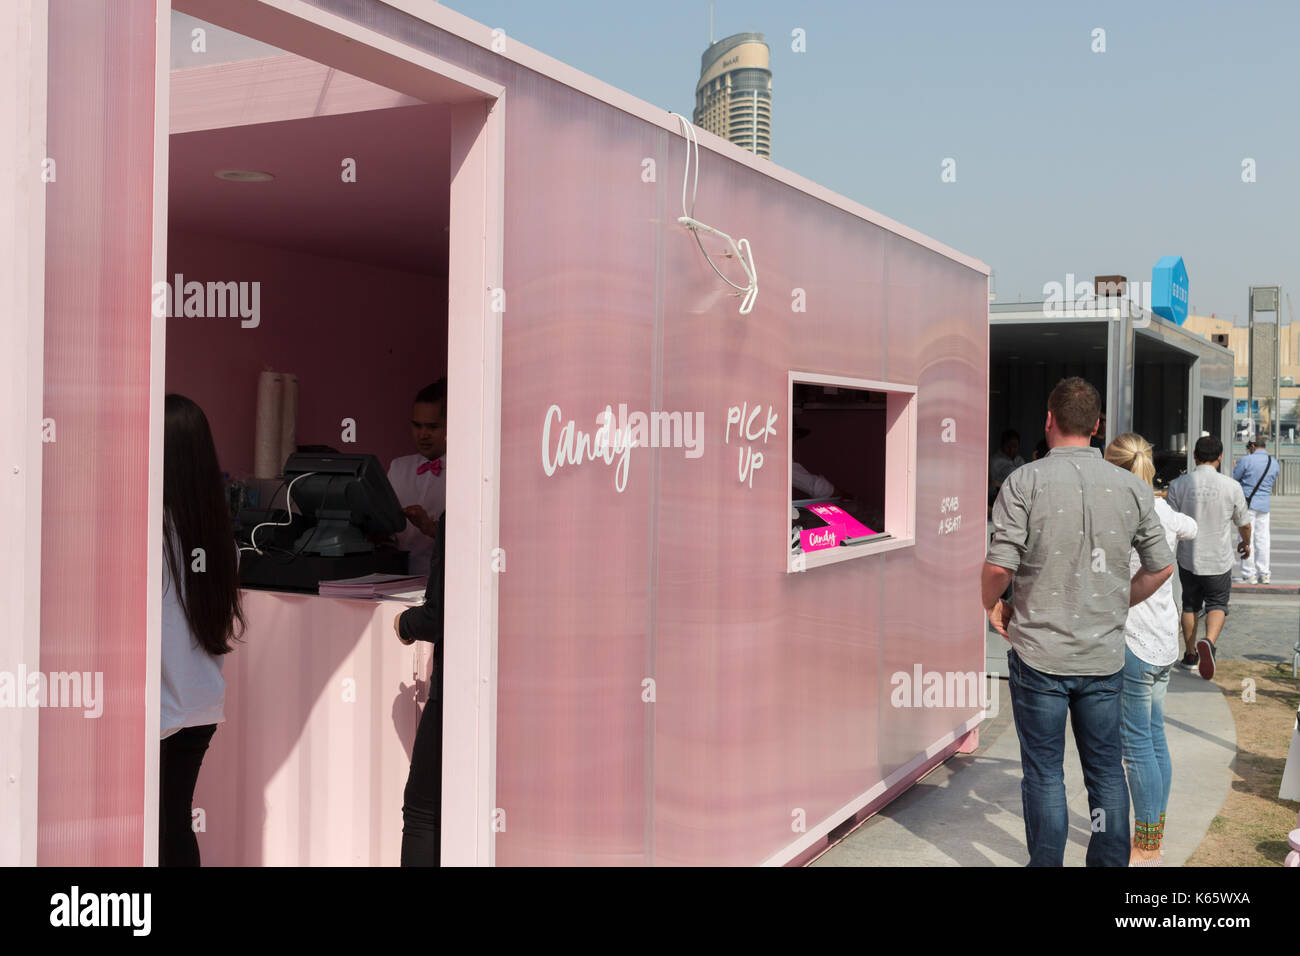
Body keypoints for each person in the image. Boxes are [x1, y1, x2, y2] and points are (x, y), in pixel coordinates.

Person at [984, 377, 1173, 867]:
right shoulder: (1133, 488)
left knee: (1045, 774)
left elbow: (999, 567)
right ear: (1096, 426)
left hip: (1038, 655)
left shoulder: (1023, 482)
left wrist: (991, 604)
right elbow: (1162, 566)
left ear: (1048, 421)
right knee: (1106, 774)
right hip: (1104, 657)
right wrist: (1115, 602)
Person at [160, 394, 246, 866]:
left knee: (158, 825)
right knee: (173, 821)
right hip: (197, 704)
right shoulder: (217, 536)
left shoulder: (150, 532)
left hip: (158, 709)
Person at [1105, 433, 1198, 867]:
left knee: (1136, 747)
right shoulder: (1161, 509)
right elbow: (1191, 527)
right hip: (1163, 641)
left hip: (1133, 642)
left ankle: (1145, 846)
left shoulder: (1121, 511)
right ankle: (1153, 832)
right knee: (1155, 740)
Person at [1166, 436, 1251, 679]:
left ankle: (1190, 654)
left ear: (1194, 455)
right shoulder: (1231, 486)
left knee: (1190, 604)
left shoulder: (1178, 484)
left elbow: (1170, 521)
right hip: (1218, 558)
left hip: (1188, 556)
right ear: (1221, 456)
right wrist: (1246, 544)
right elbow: (1244, 524)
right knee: (1217, 603)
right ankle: (1210, 643)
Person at [393, 510, 446, 866]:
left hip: (459, 689)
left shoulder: (460, 509)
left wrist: (405, 623)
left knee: (423, 809)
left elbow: (438, 614)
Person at [388, 379, 447, 576]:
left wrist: (430, 528)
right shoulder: (398, 467)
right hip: (397, 578)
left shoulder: (468, 472)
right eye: (417, 425)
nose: (423, 434)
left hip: (444, 584)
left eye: (432, 427)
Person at [1232, 436, 1279, 584]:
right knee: (1263, 539)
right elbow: (1273, 480)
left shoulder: (1246, 460)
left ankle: (1248, 573)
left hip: (1247, 504)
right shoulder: (1274, 462)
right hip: (1264, 505)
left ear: (1252, 446)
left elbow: (1235, 478)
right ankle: (1264, 573)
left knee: (1246, 538)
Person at [988, 428, 1024, 508]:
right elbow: (991, 485)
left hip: (1018, 499)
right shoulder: (995, 461)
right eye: (1008, 446)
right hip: (997, 500)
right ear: (1002, 445)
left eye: (1014, 446)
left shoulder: (1020, 460)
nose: (1011, 450)